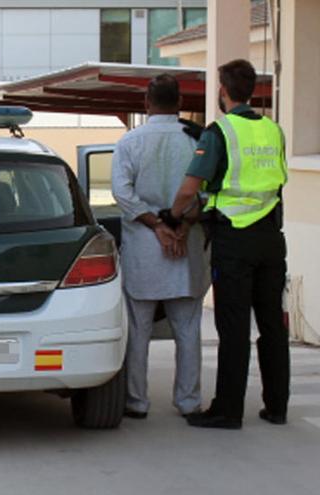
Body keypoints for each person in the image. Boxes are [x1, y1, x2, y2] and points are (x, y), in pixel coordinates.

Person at [163, 59, 289, 429]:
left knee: (234, 327)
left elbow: (189, 189)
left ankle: (228, 410)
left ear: (222, 91)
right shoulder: (273, 131)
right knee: (272, 325)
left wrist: (174, 216)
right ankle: (276, 406)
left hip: (234, 239)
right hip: (270, 238)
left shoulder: (219, 132)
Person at [111, 74, 210, 421]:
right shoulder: (197, 140)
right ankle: (188, 401)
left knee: (138, 330)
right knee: (188, 329)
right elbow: (208, 192)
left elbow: (123, 193)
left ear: (146, 103)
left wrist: (155, 225)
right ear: (180, 102)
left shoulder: (130, 141)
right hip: (187, 248)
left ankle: (137, 401)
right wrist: (181, 225)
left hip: (144, 249)